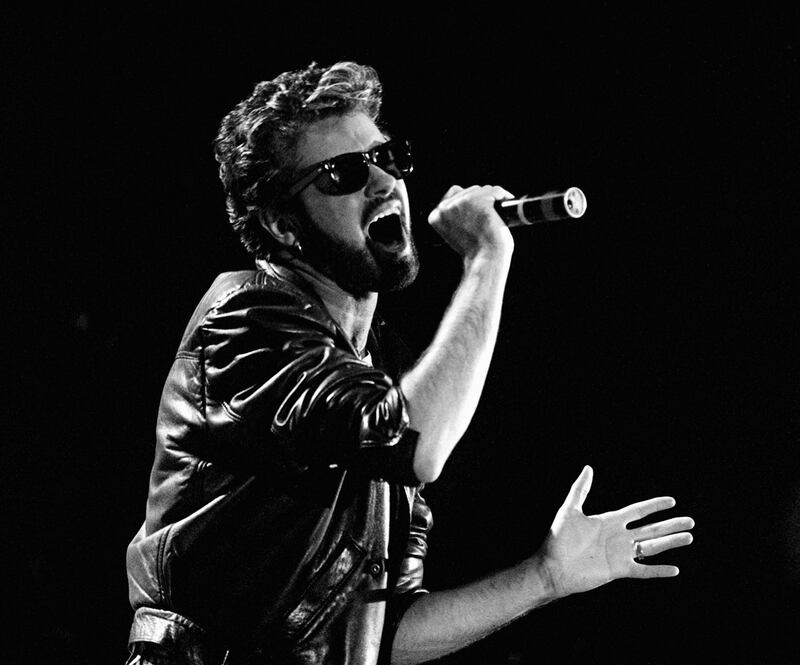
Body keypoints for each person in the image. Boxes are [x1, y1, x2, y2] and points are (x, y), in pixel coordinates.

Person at [125, 61, 695, 665]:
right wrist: (486, 260)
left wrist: (546, 577)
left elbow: (388, 633)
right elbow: (417, 442)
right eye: (343, 172)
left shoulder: (378, 371)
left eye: (386, 157)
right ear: (281, 224)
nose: (382, 183)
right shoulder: (244, 320)